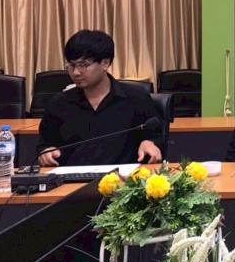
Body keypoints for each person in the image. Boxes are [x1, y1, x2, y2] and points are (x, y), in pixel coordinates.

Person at [37, 30, 163, 166]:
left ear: (105, 63)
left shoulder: (136, 98)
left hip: (123, 177)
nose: (76, 72)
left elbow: (155, 136)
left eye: (83, 65)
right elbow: (45, 143)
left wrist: (149, 143)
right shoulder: (59, 104)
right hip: (72, 177)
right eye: (71, 65)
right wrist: (46, 152)